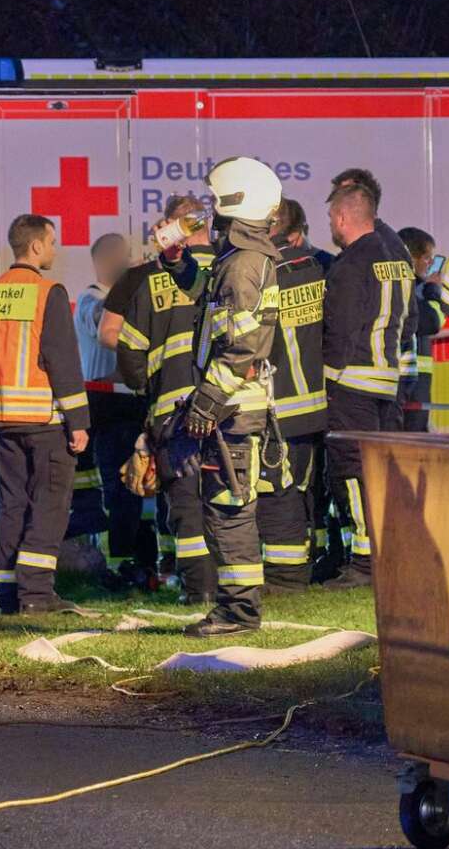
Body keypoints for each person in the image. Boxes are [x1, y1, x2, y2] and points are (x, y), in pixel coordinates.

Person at [175, 157, 285, 637]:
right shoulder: (238, 262)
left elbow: (244, 349)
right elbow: (210, 305)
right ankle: (234, 608)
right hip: (234, 405)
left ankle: (239, 613)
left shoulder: (242, 267)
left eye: (216, 202)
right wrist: (178, 265)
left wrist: (207, 400)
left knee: (230, 509)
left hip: (234, 408)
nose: (210, 211)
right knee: (225, 504)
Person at [0, 214, 91, 615]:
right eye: (52, 242)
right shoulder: (47, 292)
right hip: (44, 420)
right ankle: (37, 595)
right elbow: (63, 361)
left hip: (2, 421)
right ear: (36, 246)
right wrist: (80, 422)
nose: (55, 250)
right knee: (50, 506)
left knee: (12, 506)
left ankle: (6, 593)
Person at [113, 196, 217, 602]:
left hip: (173, 414)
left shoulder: (153, 283)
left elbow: (130, 355)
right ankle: (237, 587)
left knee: (187, 505)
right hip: (230, 408)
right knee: (230, 500)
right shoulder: (230, 269)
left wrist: (147, 389)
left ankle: (199, 591)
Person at [320, 169, 412, 589]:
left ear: (341, 219)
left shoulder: (350, 264)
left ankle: (363, 561)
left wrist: (328, 375)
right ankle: (388, 551)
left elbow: (339, 326)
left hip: (352, 381)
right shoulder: (396, 255)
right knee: (380, 470)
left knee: (351, 471)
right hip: (387, 379)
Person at [78, 232, 155, 588]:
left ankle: (144, 560)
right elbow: (109, 333)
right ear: (103, 261)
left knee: (142, 484)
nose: (127, 264)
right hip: (108, 406)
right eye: (121, 258)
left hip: (133, 401)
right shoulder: (92, 299)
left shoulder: (126, 299)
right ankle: (120, 562)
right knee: (120, 487)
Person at [262, 201, 325, 592]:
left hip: (279, 403)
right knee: (308, 489)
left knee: (279, 490)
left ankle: (287, 576)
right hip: (317, 403)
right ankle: (311, 561)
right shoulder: (323, 268)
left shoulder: (266, 275)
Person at [396, 227, 444, 432]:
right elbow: (433, 323)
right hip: (409, 378)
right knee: (411, 435)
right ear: (411, 258)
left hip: (415, 376)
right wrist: (433, 292)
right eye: (427, 258)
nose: (430, 264)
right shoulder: (412, 288)